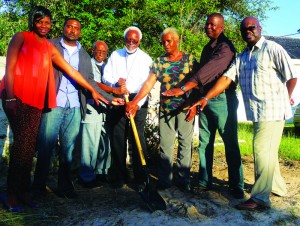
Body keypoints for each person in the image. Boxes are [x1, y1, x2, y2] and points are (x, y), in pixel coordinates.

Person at [0, 6, 118, 212]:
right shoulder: (22, 37)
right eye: (40, 21)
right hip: (17, 97)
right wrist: (9, 97)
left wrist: (95, 91)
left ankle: (24, 191)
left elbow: (73, 72)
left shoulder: (49, 47)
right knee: (23, 148)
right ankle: (13, 193)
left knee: (28, 149)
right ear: (32, 22)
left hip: (38, 101)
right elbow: (9, 67)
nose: (44, 26)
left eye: (47, 22)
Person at [185, 16, 297, 210]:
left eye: (251, 27)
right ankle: (278, 188)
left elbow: (292, 76)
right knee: (268, 151)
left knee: (261, 150)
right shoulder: (243, 57)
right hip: (256, 112)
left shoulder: (273, 49)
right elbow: (226, 79)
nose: (248, 31)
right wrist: (205, 97)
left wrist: (286, 98)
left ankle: (260, 199)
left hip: (273, 110)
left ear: (259, 28)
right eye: (244, 30)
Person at [32, 18, 123, 199]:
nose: (72, 30)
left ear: (80, 32)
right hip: (53, 103)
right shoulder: (51, 45)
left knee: (69, 150)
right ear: (63, 28)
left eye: (76, 28)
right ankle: (38, 188)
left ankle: (65, 187)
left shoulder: (83, 55)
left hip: (74, 106)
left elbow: (89, 82)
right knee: (45, 147)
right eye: (69, 26)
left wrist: (110, 99)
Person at [162, 13, 244, 198]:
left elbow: (209, 71)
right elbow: (201, 75)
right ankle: (204, 180)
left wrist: (184, 88)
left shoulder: (226, 47)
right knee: (205, 141)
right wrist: (193, 100)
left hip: (223, 99)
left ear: (222, 27)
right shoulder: (207, 48)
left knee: (230, 142)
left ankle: (236, 185)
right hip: (204, 100)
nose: (208, 27)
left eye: (213, 25)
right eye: (207, 24)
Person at [126, 27, 197, 192]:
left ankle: (183, 180)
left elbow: (198, 83)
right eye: (163, 41)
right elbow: (149, 84)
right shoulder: (159, 62)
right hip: (166, 110)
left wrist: (194, 105)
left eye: (169, 41)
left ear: (177, 41)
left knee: (185, 144)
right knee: (165, 144)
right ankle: (165, 180)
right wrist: (135, 102)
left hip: (185, 108)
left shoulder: (190, 60)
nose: (165, 44)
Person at [102, 26, 152, 190]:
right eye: (128, 39)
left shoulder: (146, 58)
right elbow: (105, 76)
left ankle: (141, 177)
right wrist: (115, 83)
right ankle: (119, 175)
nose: (131, 42)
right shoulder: (115, 55)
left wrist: (136, 103)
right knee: (118, 138)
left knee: (137, 139)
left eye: (135, 40)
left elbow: (147, 84)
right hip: (119, 99)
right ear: (124, 39)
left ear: (140, 41)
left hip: (138, 100)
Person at [78, 40, 127, 187]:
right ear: (93, 51)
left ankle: (102, 172)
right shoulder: (87, 64)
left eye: (104, 52)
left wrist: (117, 85)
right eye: (98, 51)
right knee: (90, 144)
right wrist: (113, 90)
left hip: (107, 108)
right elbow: (93, 83)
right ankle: (86, 176)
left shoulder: (107, 67)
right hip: (92, 107)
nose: (101, 54)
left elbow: (111, 83)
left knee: (105, 142)